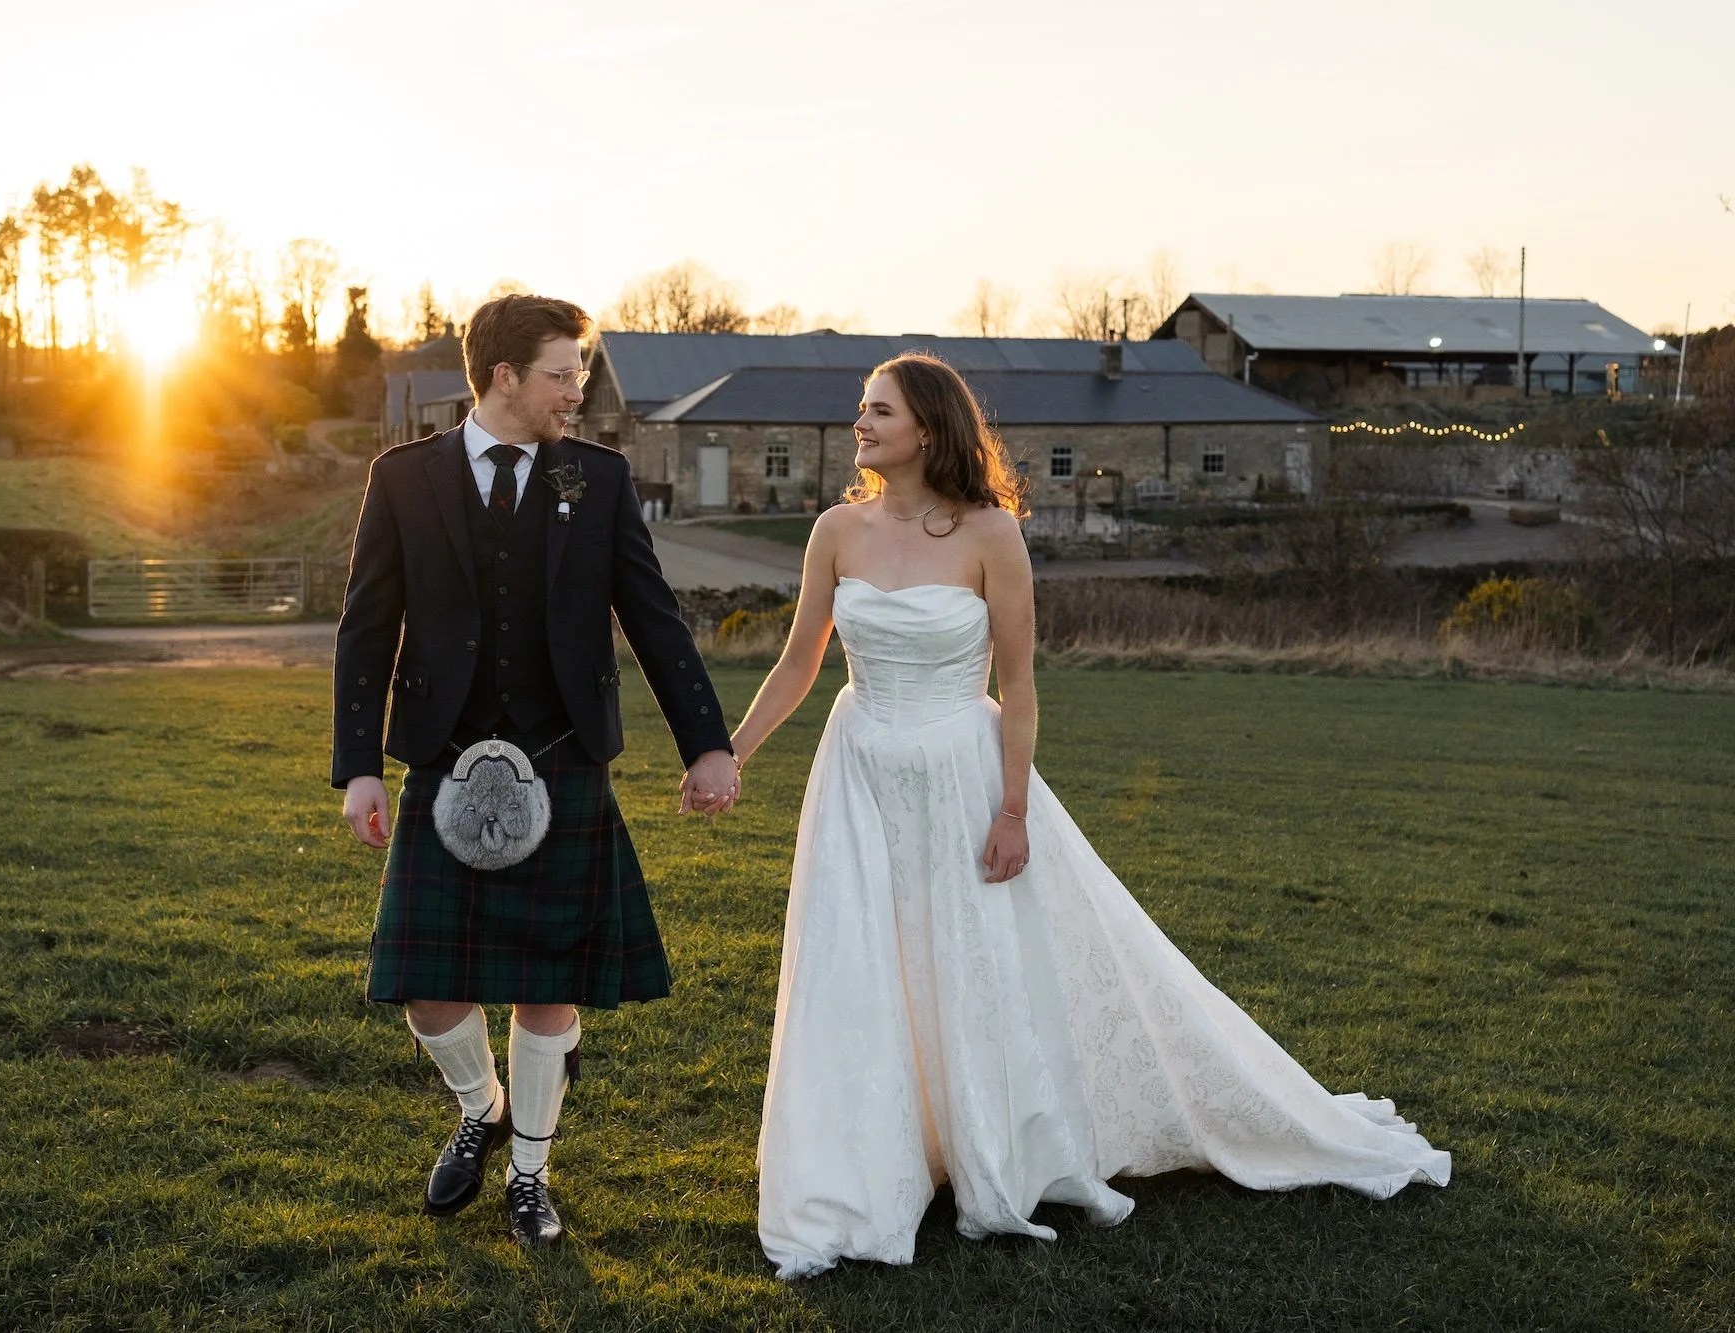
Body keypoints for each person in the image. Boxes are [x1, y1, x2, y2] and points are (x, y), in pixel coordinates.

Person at [728, 352, 1449, 1278]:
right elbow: (798, 662)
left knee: (974, 958)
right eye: (862, 409)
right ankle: (865, 1164)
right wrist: (733, 752)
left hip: (964, 770)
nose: (859, 423)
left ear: (929, 430)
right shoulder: (835, 528)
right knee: (862, 959)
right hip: (860, 767)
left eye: (878, 411)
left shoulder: (991, 534)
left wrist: (1014, 809)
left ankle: (993, 1138)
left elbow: (1020, 684)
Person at [332, 294, 740, 1247]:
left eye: (583, 371)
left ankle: (528, 1172)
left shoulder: (595, 480)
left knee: (547, 983)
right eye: (564, 372)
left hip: (561, 759)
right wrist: (359, 767)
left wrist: (707, 741)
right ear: (504, 376)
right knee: (424, 983)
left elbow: (651, 615)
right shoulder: (402, 478)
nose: (580, 389)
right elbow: (365, 630)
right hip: (443, 755)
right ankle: (482, 1104)